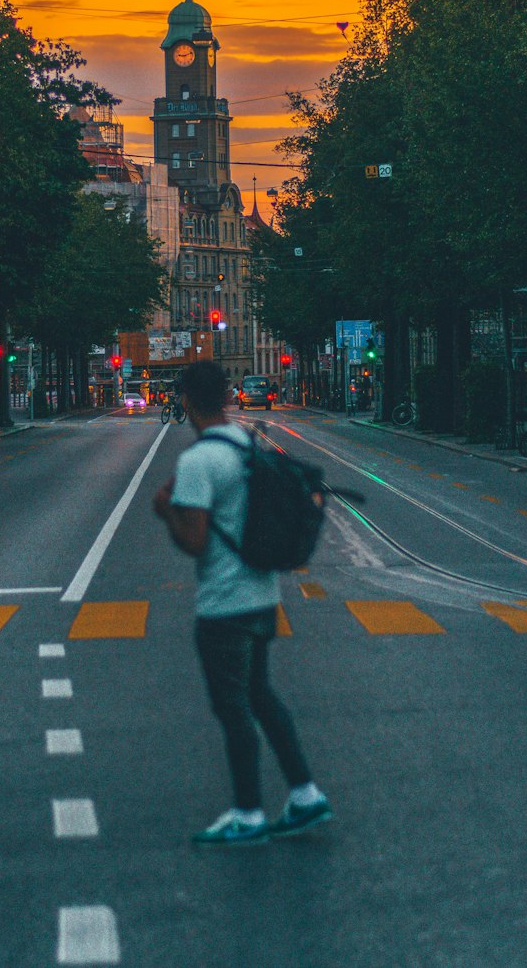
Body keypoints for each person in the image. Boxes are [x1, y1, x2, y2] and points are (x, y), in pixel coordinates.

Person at [153, 359, 331, 846]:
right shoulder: (244, 444)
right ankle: (305, 793)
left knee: (234, 710)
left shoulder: (198, 461)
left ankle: (248, 814)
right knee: (262, 699)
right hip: (262, 597)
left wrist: (166, 509)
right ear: (229, 396)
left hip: (223, 606)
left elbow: (194, 541)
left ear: (186, 400)